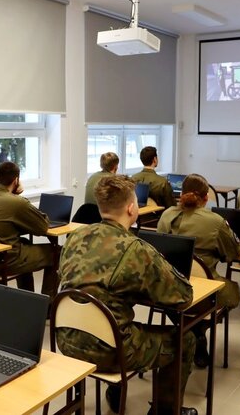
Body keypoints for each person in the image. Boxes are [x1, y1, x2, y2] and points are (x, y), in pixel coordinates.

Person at [58, 175, 197, 415]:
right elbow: (183, 297)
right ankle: (165, 411)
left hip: (67, 340)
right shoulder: (136, 249)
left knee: (119, 318)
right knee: (186, 340)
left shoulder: (75, 237)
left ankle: (116, 390)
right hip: (112, 349)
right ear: (132, 208)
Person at [157, 173, 240, 368]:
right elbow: (234, 252)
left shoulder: (166, 215)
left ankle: (188, 329)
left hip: (169, 290)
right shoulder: (215, 221)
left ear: (181, 193)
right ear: (206, 197)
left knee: (175, 304)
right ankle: (199, 329)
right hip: (203, 295)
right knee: (233, 292)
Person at [0, 161, 58, 297]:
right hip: (6, 261)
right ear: (16, 181)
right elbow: (43, 227)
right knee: (57, 253)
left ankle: (27, 299)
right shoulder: (16, 202)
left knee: (26, 243)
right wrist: (17, 196)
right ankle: (48, 304)